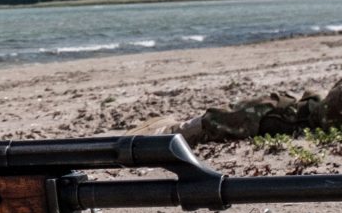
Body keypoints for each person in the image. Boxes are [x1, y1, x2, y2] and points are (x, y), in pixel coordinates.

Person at [133, 78, 342, 144]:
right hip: (295, 113)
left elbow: (325, 115)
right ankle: (174, 131)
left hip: (289, 119)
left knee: (249, 112)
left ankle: (169, 134)